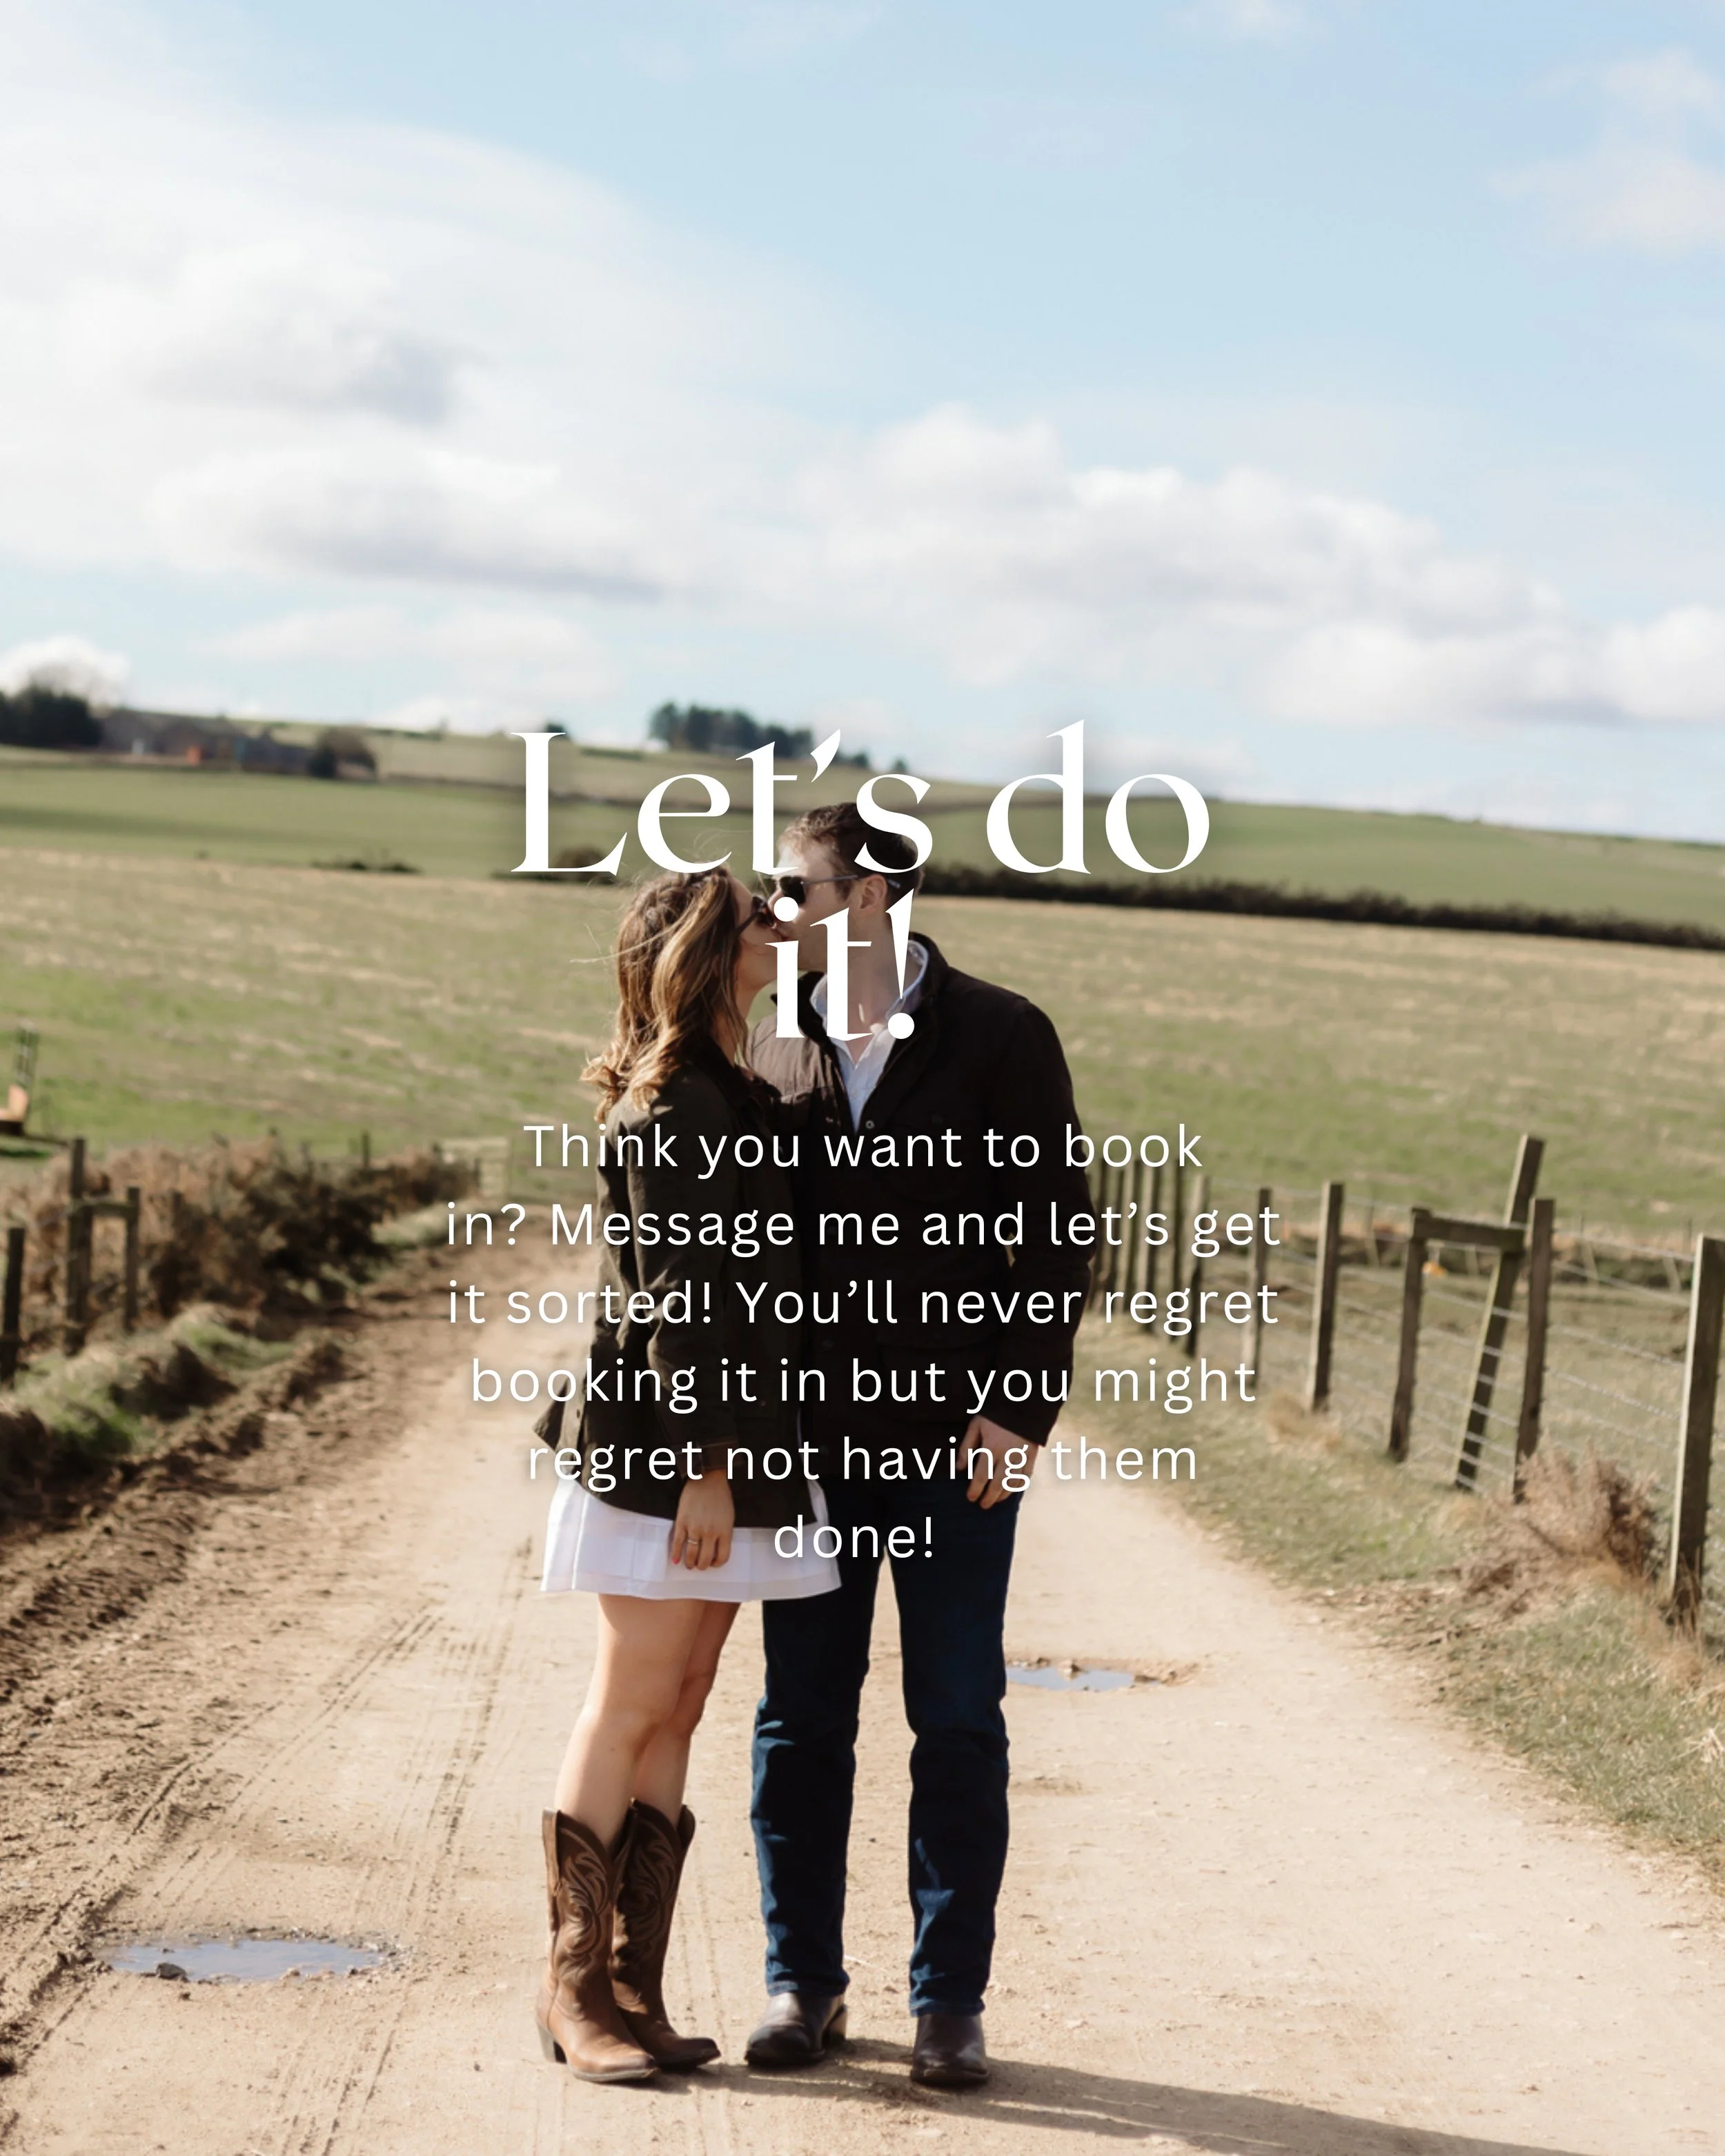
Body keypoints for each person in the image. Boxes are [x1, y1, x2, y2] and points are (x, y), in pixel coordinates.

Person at [745, 803, 1094, 2088]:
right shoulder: (773, 1042)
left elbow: (1056, 1237)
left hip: (958, 1442)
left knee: (955, 1718)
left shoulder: (1002, 1033)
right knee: (801, 1719)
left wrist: (1017, 1410)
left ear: (879, 887)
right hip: (808, 1448)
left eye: (801, 889)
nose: (778, 914)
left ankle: (949, 2003)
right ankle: (804, 1983)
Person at [536, 867, 839, 2084]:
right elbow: (682, 1299)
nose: (780, 930)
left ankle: (631, 1984)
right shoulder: (673, 1109)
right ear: (707, 957)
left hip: (740, 1444)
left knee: (688, 1694)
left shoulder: (740, 1091)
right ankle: (571, 1992)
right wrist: (710, 1465)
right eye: (757, 921)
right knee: (632, 1695)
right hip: (676, 1445)